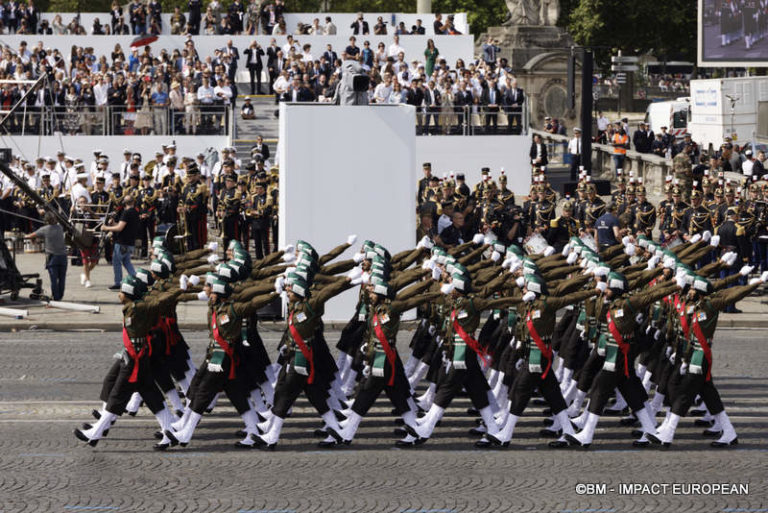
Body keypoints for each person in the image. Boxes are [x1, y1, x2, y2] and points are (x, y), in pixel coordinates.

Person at [25, 212, 67, 301]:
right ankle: (60, 296)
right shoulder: (60, 228)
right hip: (63, 257)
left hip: (53, 258)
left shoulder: (44, 229)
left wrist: (32, 238)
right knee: (62, 279)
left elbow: (29, 236)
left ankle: (56, 297)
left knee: (54, 279)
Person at [103, 194, 140, 290]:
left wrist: (106, 227)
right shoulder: (135, 212)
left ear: (124, 202)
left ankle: (118, 283)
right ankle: (136, 279)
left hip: (122, 242)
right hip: (130, 242)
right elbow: (123, 225)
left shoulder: (126, 212)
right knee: (126, 261)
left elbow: (120, 228)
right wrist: (113, 223)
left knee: (117, 262)